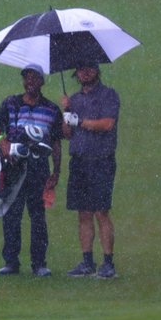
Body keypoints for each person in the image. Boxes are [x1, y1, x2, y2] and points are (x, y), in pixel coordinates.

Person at [0, 64, 62, 277]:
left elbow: (56, 142)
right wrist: (2, 142)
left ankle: (39, 263)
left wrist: (56, 172)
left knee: (38, 216)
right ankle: (11, 262)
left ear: (41, 81)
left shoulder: (51, 109)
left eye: (34, 77)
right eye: (26, 77)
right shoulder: (11, 103)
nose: (29, 81)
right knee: (12, 214)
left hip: (39, 168)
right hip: (13, 167)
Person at [61, 62, 120, 279]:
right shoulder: (74, 100)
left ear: (97, 70)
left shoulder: (108, 95)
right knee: (83, 212)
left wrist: (80, 120)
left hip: (101, 160)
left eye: (90, 67)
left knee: (101, 211)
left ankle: (108, 263)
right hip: (79, 161)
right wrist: (66, 111)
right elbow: (67, 133)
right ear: (75, 73)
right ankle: (87, 262)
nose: (85, 72)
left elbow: (107, 124)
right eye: (81, 68)